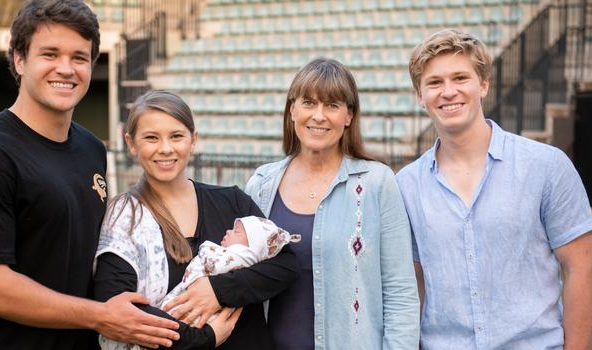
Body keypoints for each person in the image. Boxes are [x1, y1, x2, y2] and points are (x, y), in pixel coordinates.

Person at [0, 0, 182, 350]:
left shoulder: (90, 148)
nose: (66, 69)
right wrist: (100, 316)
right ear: (19, 59)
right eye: (50, 54)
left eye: (79, 58)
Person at [397, 29, 592, 349]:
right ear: (420, 95)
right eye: (434, 82)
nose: (448, 91)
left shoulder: (546, 166)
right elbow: (414, 284)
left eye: (460, 78)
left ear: (483, 84)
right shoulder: (405, 185)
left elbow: (582, 267)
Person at [93, 90, 299, 350]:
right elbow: (119, 307)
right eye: (151, 138)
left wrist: (216, 291)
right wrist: (206, 338)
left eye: (176, 136)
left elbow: (285, 265)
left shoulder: (232, 201)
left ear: (194, 140)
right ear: (131, 143)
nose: (165, 148)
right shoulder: (125, 218)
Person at [245, 57, 420, 350]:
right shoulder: (261, 185)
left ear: (349, 116)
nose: (319, 116)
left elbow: (400, 290)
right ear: (292, 110)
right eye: (309, 103)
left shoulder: (378, 183)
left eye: (332, 105)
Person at [160, 215, 300, 318]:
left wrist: (206, 248)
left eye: (236, 232)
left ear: (251, 247)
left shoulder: (239, 257)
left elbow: (216, 266)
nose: (228, 231)